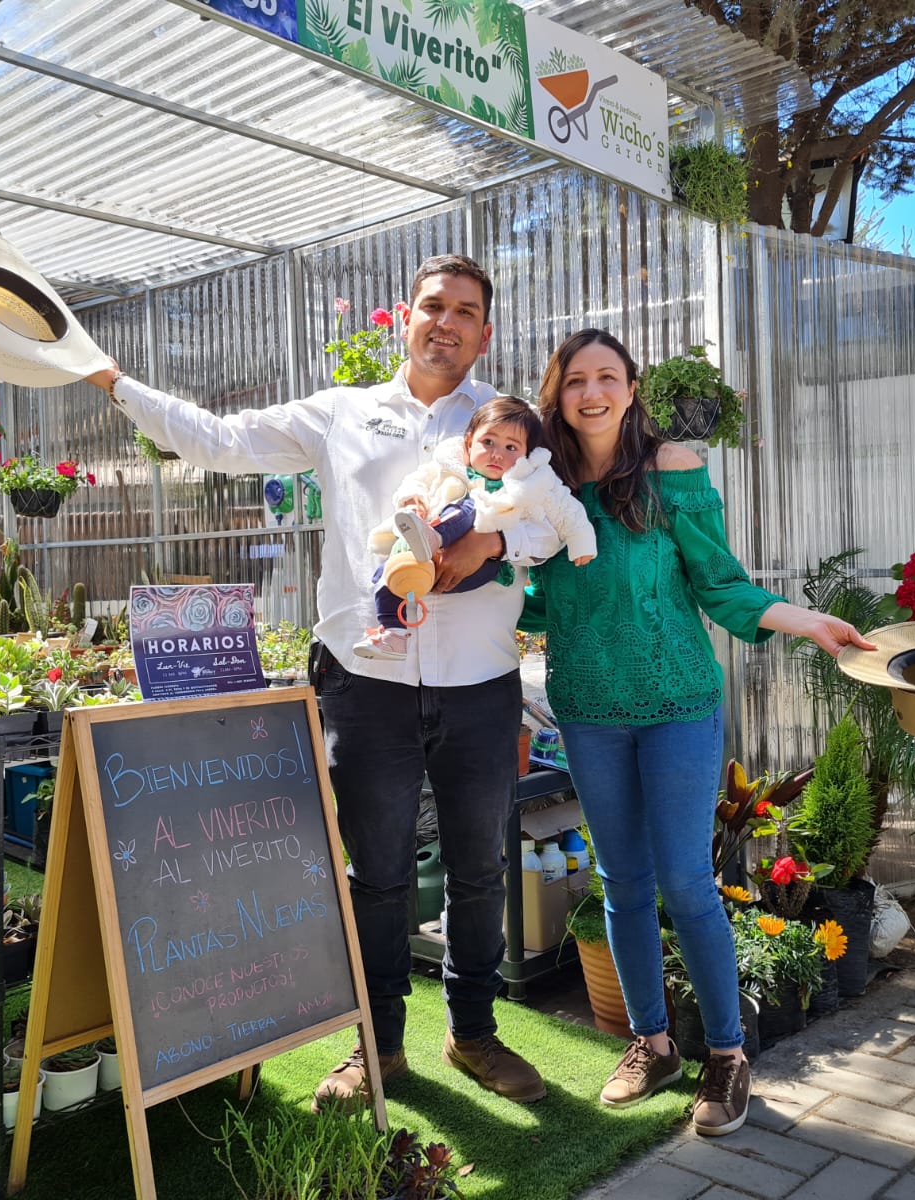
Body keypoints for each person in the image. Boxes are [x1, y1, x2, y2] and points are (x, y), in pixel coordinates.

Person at [85, 255, 559, 1108]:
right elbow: (218, 440)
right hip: (364, 683)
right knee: (374, 874)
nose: (447, 322)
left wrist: (498, 542)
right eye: (433, 306)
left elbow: (557, 520)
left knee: (480, 870)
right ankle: (378, 1046)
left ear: (485, 332)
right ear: (405, 318)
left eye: (465, 311)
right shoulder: (341, 413)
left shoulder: (509, 422)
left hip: (480, 682)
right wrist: (113, 382)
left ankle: (473, 1034)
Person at [521, 328, 874, 1136]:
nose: (591, 392)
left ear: (631, 388)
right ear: (558, 395)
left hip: (677, 701)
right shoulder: (541, 487)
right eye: (575, 380)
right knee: (621, 882)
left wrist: (803, 620)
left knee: (685, 882)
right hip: (588, 708)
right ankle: (652, 1045)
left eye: (607, 377)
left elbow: (720, 583)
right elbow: (535, 605)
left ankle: (725, 1052)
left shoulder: (671, 471)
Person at [355, 396, 596, 660]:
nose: (497, 454)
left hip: (483, 568)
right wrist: (413, 501)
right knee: (387, 574)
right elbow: (416, 480)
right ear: (469, 443)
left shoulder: (531, 484)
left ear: (527, 456)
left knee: (471, 505)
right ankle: (394, 634)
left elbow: (566, 510)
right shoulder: (449, 468)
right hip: (424, 564)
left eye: (511, 447)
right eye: (488, 442)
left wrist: (581, 540)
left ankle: (432, 538)